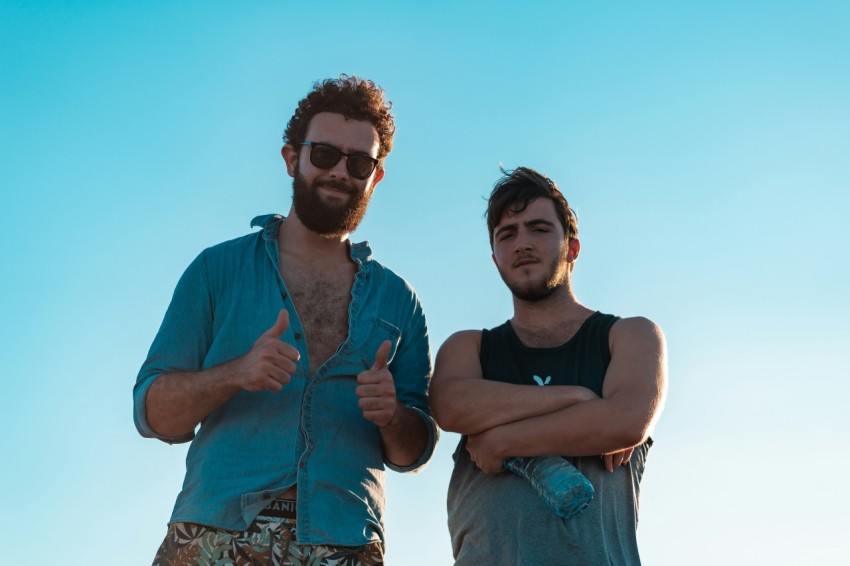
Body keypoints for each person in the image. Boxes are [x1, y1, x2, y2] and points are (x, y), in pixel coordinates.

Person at [133, 75, 438, 565]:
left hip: (347, 542)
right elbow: (152, 413)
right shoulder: (216, 270)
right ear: (291, 158)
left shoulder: (399, 300)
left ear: (376, 177)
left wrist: (392, 415)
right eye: (324, 154)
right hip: (213, 533)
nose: (339, 172)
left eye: (358, 163)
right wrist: (236, 372)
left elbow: (413, 451)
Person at [430, 167, 667, 565]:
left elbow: (627, 421)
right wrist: (576, 398)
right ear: (495, 258)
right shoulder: (469, 347)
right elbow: (450, 406)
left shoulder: (630, 335)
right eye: (507, 234)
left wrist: (502, 441)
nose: (522, 243)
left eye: (539, 229)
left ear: (572, 248)